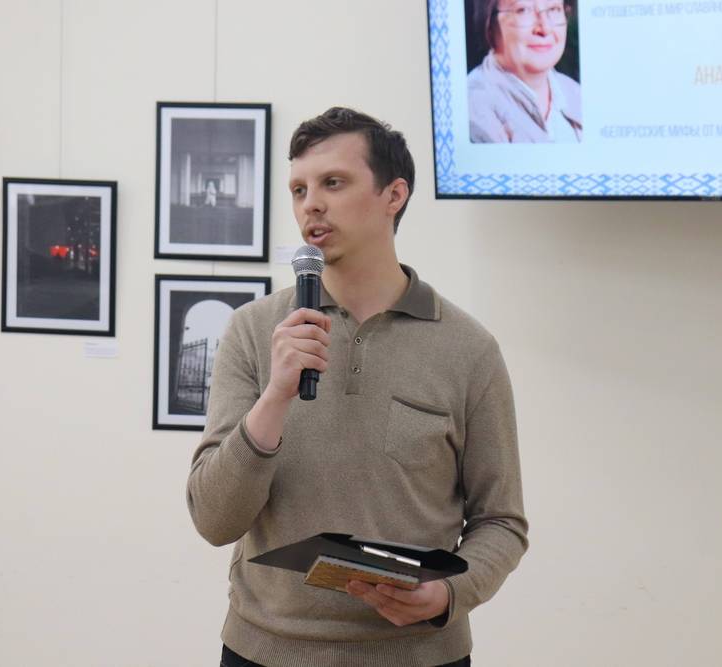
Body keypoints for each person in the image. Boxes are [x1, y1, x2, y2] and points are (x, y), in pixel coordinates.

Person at [187, 107, 528, 667]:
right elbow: (214, 520)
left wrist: (449, 594)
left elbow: (501, 520)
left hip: (420, 655)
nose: (311, 205)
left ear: (394, 195)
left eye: (333, 183)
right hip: (265, 650)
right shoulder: (254, 330)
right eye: (299, 190)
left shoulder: (469, 349)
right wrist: (275, 397)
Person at [468, 0, 583, 143]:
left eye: (554, 9)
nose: (545, 28)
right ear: (489, 23)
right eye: (523, 10)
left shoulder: (576, 93)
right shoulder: (473, 111)